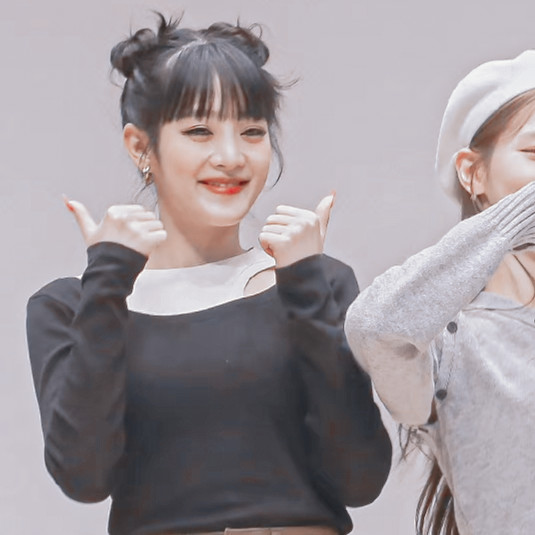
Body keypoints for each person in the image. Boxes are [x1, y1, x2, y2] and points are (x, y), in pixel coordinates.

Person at [26, 14, 391, 535]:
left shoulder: (318, 283)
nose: (231, 157)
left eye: (252, 131)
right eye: (199, 131)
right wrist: (107, 280)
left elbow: (361, 479)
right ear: (140, 146)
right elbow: (83, 476)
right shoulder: (72, 306)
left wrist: (305, 284)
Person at [344, 50, 535, 535]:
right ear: (473, 173)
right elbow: (375, 328)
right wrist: (517, 218)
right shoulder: (451, 342)